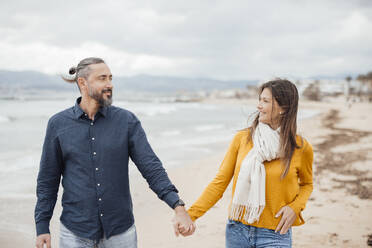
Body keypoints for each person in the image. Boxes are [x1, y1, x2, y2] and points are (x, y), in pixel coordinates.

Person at [34, 57, 195, 248]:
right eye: (102, 78)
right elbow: (48, 180)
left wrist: (178, 206)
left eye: (110, 78)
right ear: (82, 83)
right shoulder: (58, 124)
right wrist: (42, 225)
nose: (109, 84)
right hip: (74, 233)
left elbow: (151, 168)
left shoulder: (126, 121)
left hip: (120, 233)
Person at [186, 79, 313, 247]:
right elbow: (220, 182)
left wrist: (295, 207)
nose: (258, 106)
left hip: (276, 233)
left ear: (284, 108)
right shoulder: (243, 139)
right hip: (237, 231)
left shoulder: (300, 147)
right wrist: (190, 215)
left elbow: (307, 184)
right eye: (260, 100)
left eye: (265, 101)